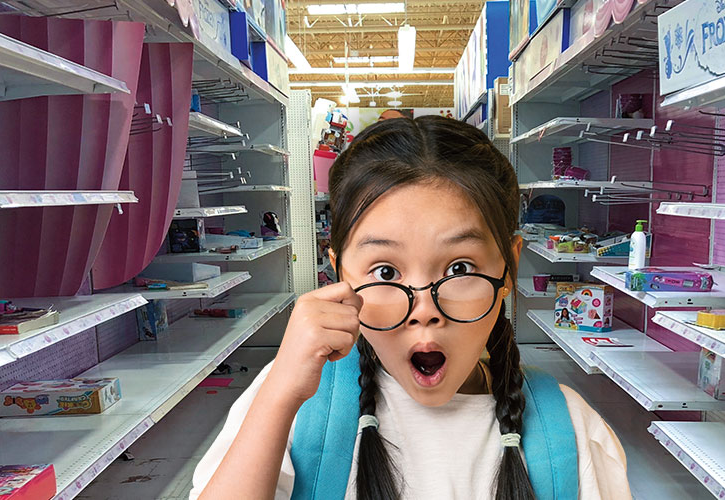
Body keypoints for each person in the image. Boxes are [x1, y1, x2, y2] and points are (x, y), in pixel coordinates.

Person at [191, 116, 630, 500]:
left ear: (509, 268)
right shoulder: (295, 408)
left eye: (460, 267)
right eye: (385, 272)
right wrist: (279, 397)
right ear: (340, 273)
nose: (424, 309)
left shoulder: (570, 433)